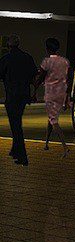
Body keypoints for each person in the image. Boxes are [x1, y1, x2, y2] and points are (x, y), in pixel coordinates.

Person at [0, 35, 38, 166]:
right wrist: (34, 93)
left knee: (15, 125)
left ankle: (22, 156)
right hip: (24, 95)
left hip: (12, 96)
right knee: (17, 122)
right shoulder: (27, 57)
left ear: (9, 46)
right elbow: (34, 76)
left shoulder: (6, 59)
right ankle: (15, 151)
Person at [37, 38, 71, 157]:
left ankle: (65, 147)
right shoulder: (64, 61)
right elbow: (68, 80)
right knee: (50, 118)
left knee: (53, 120)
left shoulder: (46, 62)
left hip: (51, 94)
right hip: (61, 93)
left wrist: (34, 89)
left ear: (47, 49)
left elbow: (40, 77)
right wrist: (67, 98)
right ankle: (46, 143)